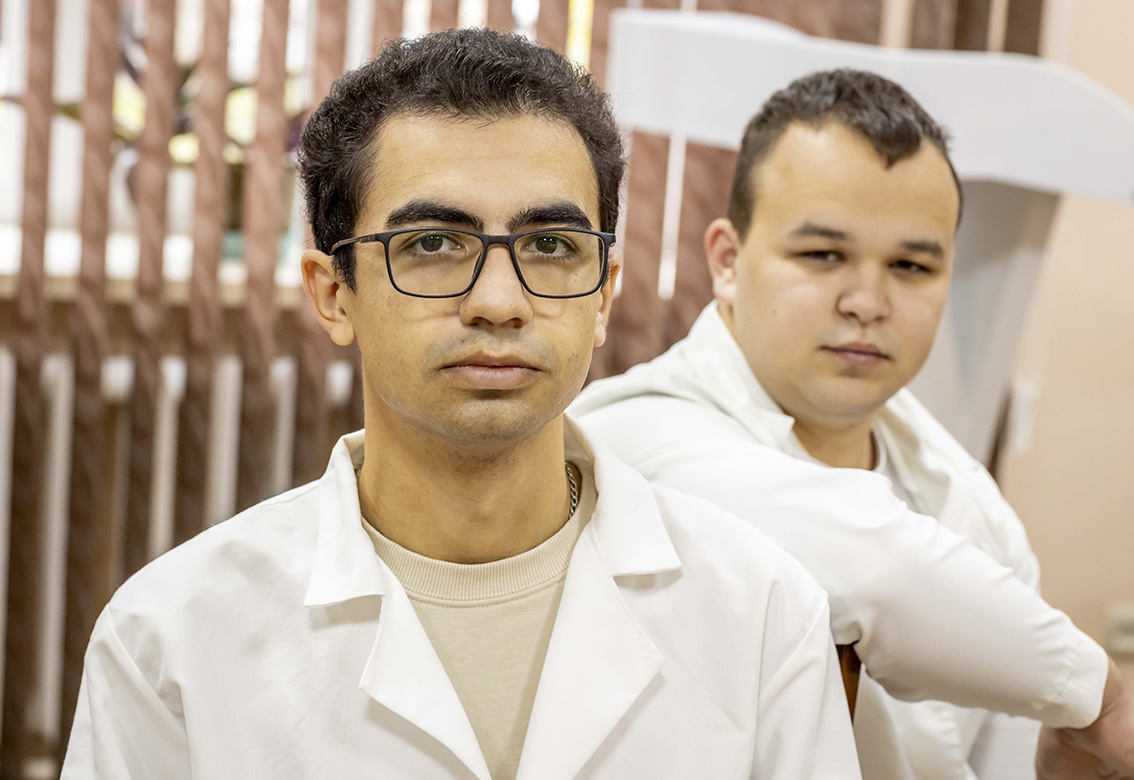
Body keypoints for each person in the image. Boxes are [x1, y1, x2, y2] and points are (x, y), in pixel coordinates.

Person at [60, 31, 861, 780]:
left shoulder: (762, 616)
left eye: (550, 246)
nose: (500, 303)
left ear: (604, 295)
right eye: (434, 244)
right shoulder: (170, 642)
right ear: (333, 294)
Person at [572, 69, 1134, 779]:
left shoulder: (968, 504)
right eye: (823, 255)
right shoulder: (626, 437)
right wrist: (1104, 697)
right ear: (728, 261)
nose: (868, 301)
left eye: (911, 265)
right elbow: (877, 569)